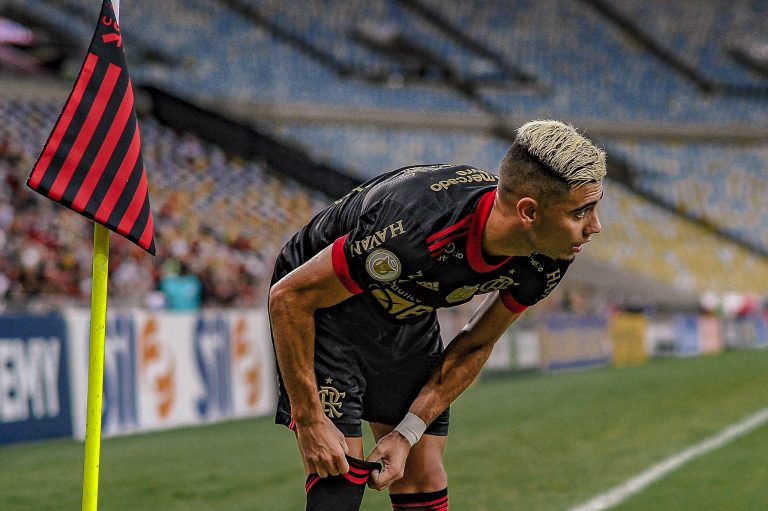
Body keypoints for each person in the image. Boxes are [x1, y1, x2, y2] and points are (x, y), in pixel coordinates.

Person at [268, 120, 606, 510]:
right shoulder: (413, 228)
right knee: (340, 471)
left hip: (406, 308)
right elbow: (290, 297)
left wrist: (406, 433)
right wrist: (309, 418)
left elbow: (477, 342)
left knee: (421, 472)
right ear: (529, 212)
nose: (595, 226)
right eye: (582, 212)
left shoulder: (549, 254)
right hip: (326, 306)